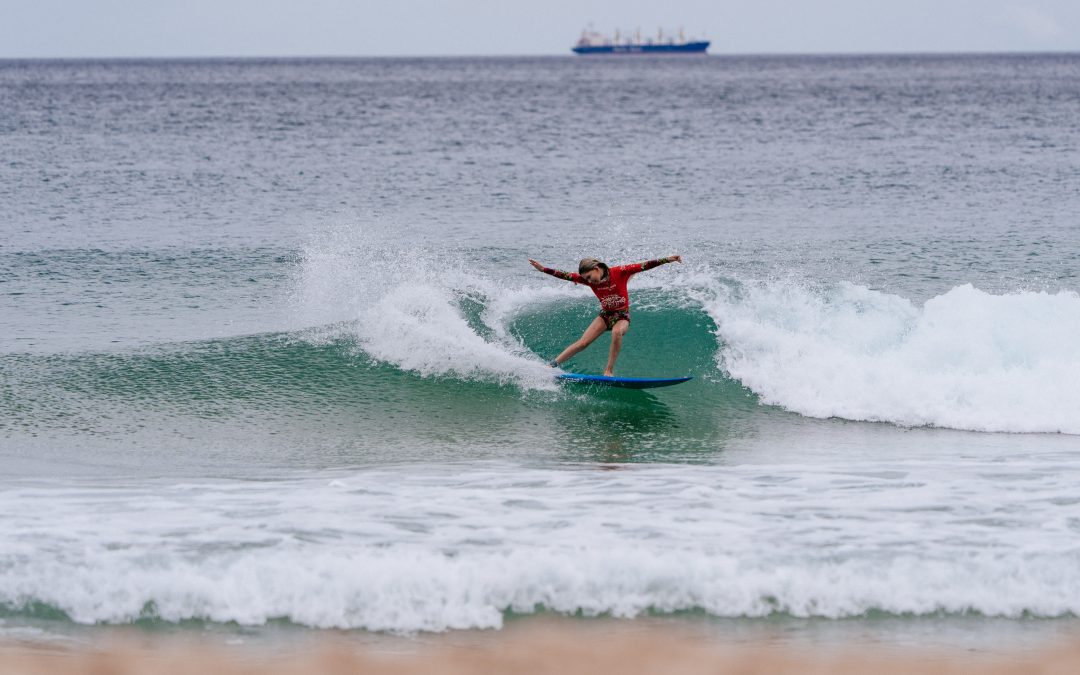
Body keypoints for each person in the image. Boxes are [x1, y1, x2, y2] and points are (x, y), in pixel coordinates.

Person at [527, 255, 682, 376]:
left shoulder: (620, 272)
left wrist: (667, 260)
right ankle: (551, 366)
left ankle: (608, 370)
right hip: (605, 315)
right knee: (582, 343)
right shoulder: (588, 281)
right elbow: (565, 275)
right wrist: (543, 269)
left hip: (622, 316)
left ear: (596, 268)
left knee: (616, 332)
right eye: (585, 279)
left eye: (589, 277)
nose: (589, 281)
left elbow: (645, 265)